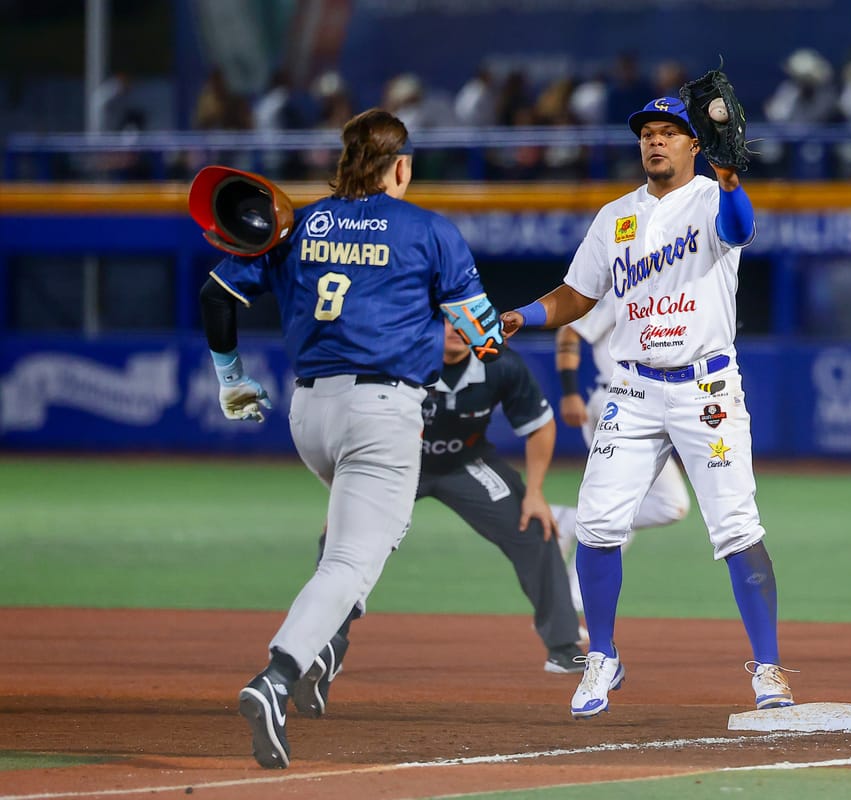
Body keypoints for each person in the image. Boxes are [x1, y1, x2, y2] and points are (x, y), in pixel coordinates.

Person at [199, 108, 503, 769]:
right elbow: (483, 336)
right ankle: (278, 677)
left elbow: (217, 295)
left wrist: (231, 382)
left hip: (310, 416)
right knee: (351, 560)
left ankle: (325, 643)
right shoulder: (428, 229)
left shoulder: (298, 223)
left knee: (367, 535)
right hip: (381, 411)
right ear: (401, 167)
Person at [499, 95, 794, 719]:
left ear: (694, 145)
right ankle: (601, 658)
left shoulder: (715, 199)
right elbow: (577, 296)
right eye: (647, 134)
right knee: (600, 524)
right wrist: (522, 315)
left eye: (669, 132)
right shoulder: (615, 218)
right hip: (630, 392)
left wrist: (733, 178)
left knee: (738, 527)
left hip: (705, 389)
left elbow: (740, 229)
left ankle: (768, 669)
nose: (655, 141)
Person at [293, 319, 586, 722]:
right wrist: (342, 495)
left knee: (533, 526)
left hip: (466, 462)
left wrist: (534, 493)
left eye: (466, 321)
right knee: (343, 539)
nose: (456, 329)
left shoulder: (500, 364)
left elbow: (540, 426)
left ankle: (563, 647)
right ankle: (325, 643)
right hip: (393, 464)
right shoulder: (398, 355)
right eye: (448, 319)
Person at [551, 292, 692, 612]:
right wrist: (570, 391)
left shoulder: (677, 293)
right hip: (617, 403)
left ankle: (567, 528)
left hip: (650, 404)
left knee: (651, 508)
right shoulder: (626, 290)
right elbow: (570, 331)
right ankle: (571, 594)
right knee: (662, 505)